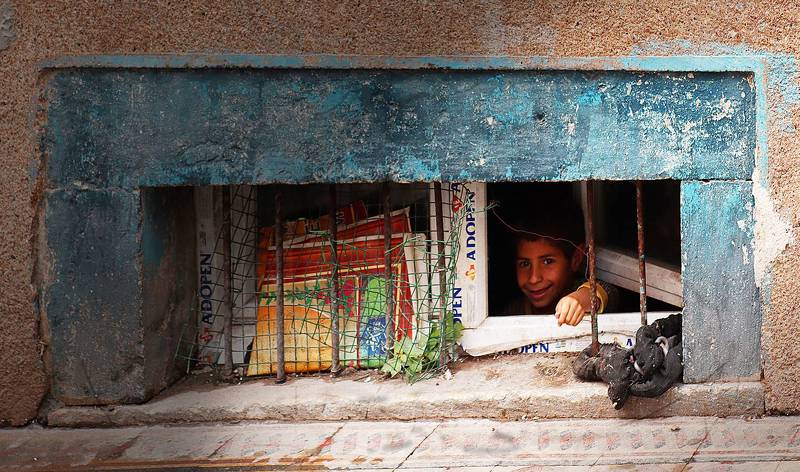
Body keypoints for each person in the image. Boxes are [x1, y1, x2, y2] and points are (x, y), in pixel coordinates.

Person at [499, 204, 617, 325]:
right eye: (524, 263)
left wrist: (578, 300)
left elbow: (604, 291)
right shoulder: (514, 311)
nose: (534, 278)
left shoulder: (577, 290)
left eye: (547, 261)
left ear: (576, 259)